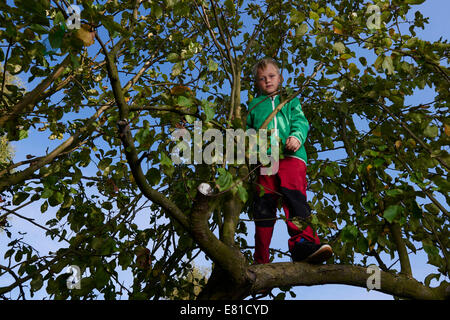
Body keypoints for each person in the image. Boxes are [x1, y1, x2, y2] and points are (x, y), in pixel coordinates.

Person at [246, 57, 333, 265]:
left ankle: (303, 243)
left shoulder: (290, 99)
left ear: (280, 77)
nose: (267, 81)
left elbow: (300, 121)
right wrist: (251, 155)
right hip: (266, 160)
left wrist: (296, 136)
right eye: (261, 78)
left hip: (290, 157)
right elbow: (250, 134)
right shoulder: (254, 105)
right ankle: (261, 260)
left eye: (271, 76)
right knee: (264, 208)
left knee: (294, 199)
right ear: (256, 83)